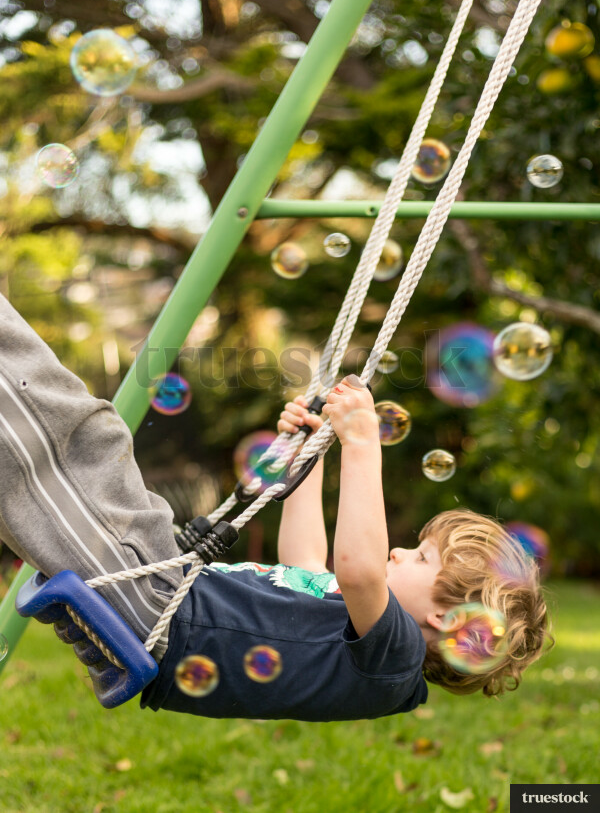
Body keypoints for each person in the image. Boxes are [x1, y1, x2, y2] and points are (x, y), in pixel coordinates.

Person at [0, 294, 551, 720]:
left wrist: (363, 445)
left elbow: (360, 572)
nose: (403, 553)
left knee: (72, 439)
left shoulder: (395, 664)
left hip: (153, 610)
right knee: (72, 442)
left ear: (445, 620)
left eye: (424, 559)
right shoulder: (351, 631)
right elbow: (305, 561)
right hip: (158, 589)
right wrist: (308, 458)